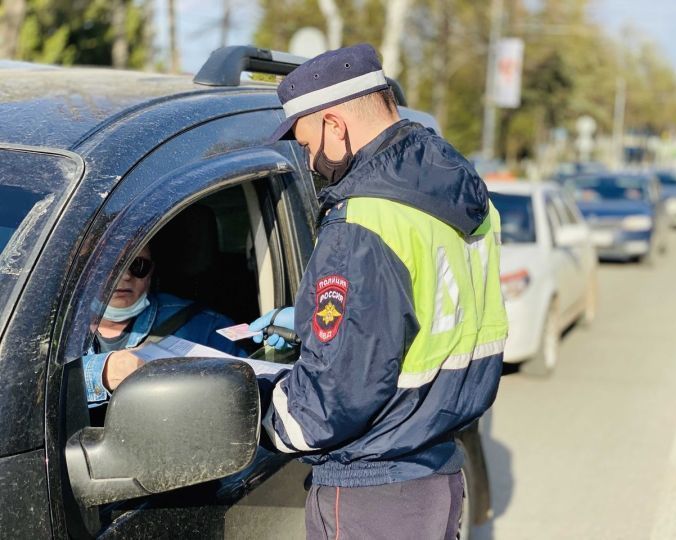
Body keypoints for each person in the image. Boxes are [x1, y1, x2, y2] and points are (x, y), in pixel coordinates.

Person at [249, 43, 508, 539]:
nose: (309, 162)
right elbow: (425, 307)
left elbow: (329, 404)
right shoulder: (455, 188)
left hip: (372, 494)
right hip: (437, 472)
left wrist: (255, 410)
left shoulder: (364, 219)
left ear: (334, 125)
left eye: (306, 145)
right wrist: (309, 318)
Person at [82, 244, 245, 408]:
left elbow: (246, 392)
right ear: (85, 272)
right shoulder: (58, 327)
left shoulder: (205, 327)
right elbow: (55, 383)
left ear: (150, 272)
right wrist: (102, 373)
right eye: (109, 265)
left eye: (138, 265)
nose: (125, 275)